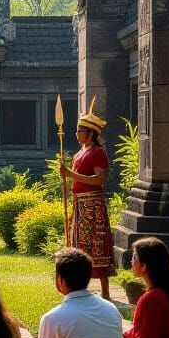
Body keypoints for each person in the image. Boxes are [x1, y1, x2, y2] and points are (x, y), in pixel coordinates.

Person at [59, 97, 113, 299]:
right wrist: (67, 176)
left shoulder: (98, 152)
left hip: (92, 203)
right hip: (79, 203)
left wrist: (71, 175)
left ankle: (105, 291)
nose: (77, 134)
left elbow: (100, 179)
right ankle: (81, 288)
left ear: (91, 133)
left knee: (96, 244)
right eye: (77, 130)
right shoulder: (79, 153)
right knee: (80, 245)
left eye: (80, 130)